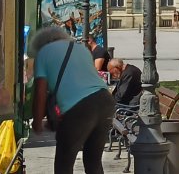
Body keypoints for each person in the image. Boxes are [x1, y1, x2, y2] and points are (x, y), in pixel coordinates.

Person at [30, 26, 115, 174]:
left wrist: (37, 122)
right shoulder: (81, 49)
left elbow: (40, 92)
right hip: (105, 100)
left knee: (64, 163)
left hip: (79, 108)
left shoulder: (43, 53)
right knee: (93, 161)